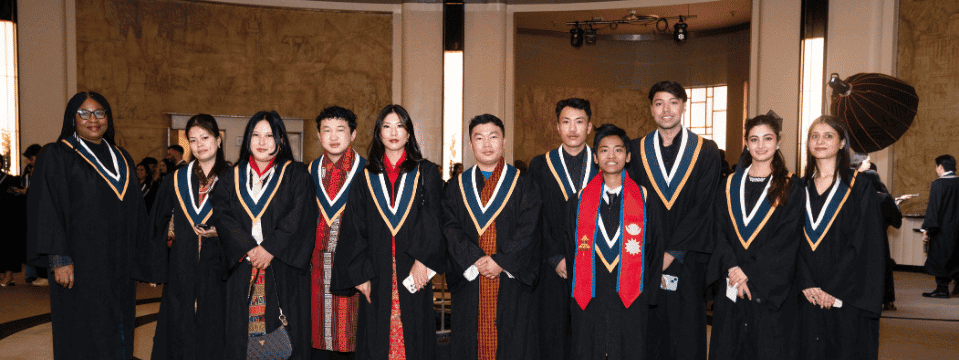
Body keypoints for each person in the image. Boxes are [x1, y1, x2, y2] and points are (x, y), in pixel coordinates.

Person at [26, 91, 162, 359]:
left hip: (119, 262)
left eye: (99, 113)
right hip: (79, 263)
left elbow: (137, 211)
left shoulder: (121, 156)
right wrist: (59, 257)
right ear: (72, 118)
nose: (93, 119)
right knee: (83, 328)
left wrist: (143, 256)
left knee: (118, 322)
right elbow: (47, 206)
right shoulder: (58, 154)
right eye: (84, 113)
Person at [331, 104, 445, 360]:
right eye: (387, 126)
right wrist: (360, 274)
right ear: (379, 133)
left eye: (400, 126)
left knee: (415, 335)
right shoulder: (365, 177)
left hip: (413, 269)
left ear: (409, 132)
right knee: (376, 337)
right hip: (376, 269)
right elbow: (354, 228)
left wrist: (422, 261)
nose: (393, 132)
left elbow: (433, 219)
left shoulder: (425, 172)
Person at [210, 110, 318, 360]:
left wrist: (270, 248)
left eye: (269, 135)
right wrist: (248, 247)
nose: (262, 141)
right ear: (248, 139)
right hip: (243, 268)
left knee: (285, 337)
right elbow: (223, 216)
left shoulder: (296, 174)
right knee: (241, 339)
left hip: (282, 269)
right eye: (256, 135)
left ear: (280, 140)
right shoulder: (231, 177)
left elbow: (300, 215)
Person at [627, 81, 720, 360]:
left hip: (689, 259)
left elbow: (705, 207)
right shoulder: (635, 150)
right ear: (651, 109)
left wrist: (672, 252)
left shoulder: (706, 150)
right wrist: (653, 254)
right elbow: (632, 206)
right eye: (659, 103)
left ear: (684, 106)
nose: (666, 110)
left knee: (686, 334)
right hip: (646, 258)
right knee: (649, 333)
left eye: (673, 102)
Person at [444, 114, 542, 359]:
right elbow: (450, 227)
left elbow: (529, 228)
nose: (486, 144)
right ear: (470, 144)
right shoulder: (456, 186)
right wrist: (476, 259)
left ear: (504, 141)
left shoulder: (524, 184)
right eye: (479, 138)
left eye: (493, 137)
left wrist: (501, 261)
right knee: (470, 341)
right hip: (471, 279)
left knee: (513, 341)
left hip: (510, 280)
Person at [707, 114, 803, 360]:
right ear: (747, 143)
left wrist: (747, 272)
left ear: (778, 141)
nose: (761, 145)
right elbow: (718, 230)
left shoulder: (791, 186)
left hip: (768, 287)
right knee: (730, 346)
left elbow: (787, 239)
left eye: (767, 138)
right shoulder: (729, 184)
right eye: (754, 139)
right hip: (731, 282)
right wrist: (733, 269)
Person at [566, 124, 663, 360]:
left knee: (629, 348)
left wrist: (647, 294)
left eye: (618, 150)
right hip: (590, 292)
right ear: (595, 157)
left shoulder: (645, 199)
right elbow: (570, 250)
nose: (611, 156)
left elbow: (655, 248)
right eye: (604, 150)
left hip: (632, 293)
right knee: (588, 347)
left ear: (628, 156)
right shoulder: (578, 202)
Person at [797, 115, 884, 360]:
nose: (820, 141)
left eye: (828, 136)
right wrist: (806, 281)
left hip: (846, 290)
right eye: (814, 136)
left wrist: (832, 288)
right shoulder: (799, 188)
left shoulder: (859, 186)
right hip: (805, 289)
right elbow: (789, 240)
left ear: (843, 143)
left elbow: (864, 242)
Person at [150, 114, 229, 360]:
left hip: (219, 268)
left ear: (218, 140)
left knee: (215, 328)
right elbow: (157, 221)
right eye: (193, 140)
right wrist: (157, 264)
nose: (199, 145)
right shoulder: (176, 179)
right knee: (179, 328)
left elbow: (248, 224)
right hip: (182, 267)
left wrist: (222, 231)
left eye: (205, 138)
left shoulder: (234, 178)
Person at [527, 98, 597, 360]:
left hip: (597, 265)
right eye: (566, 122)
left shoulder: (604, 163)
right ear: (557, 127)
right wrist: (555, 257)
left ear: (589, 126)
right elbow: (535, 217)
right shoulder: (540, 165)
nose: (573, 129)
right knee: (553, 336)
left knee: (591, 335)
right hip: (553, 267)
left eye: (579, 122)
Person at [309, 106, 366, 360]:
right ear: (318, 135)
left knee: (355, 340)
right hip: (314, 271)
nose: (333, 136)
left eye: (340, 130)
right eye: (327, 130)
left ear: (353, 134)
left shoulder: (368, 173)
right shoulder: (308, 172)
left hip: (355, 272)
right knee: (316, 342)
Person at [920, 154, 959, 298]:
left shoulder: (938, 184)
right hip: (958, 229)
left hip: (942, 230)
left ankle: (942, 289)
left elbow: (933, 209)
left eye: (936, 167)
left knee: (940, 257)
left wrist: (926, 229)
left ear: (940, 167)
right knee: (956, 257)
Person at [19, 144, 48, 286]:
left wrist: (29, 190)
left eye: (31, 158)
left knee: (43, 244)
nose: (30, 161)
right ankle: (34, 274)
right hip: (31, 211)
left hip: (44, 213)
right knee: (31, 243)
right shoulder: (29, 170)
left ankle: (45, 276)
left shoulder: (47, 168)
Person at [0, 161, 23, 287]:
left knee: (8, 246)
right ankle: (5, 275)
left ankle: (9, 274)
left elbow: (17, 197)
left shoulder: (10, 179)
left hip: (7, 218)